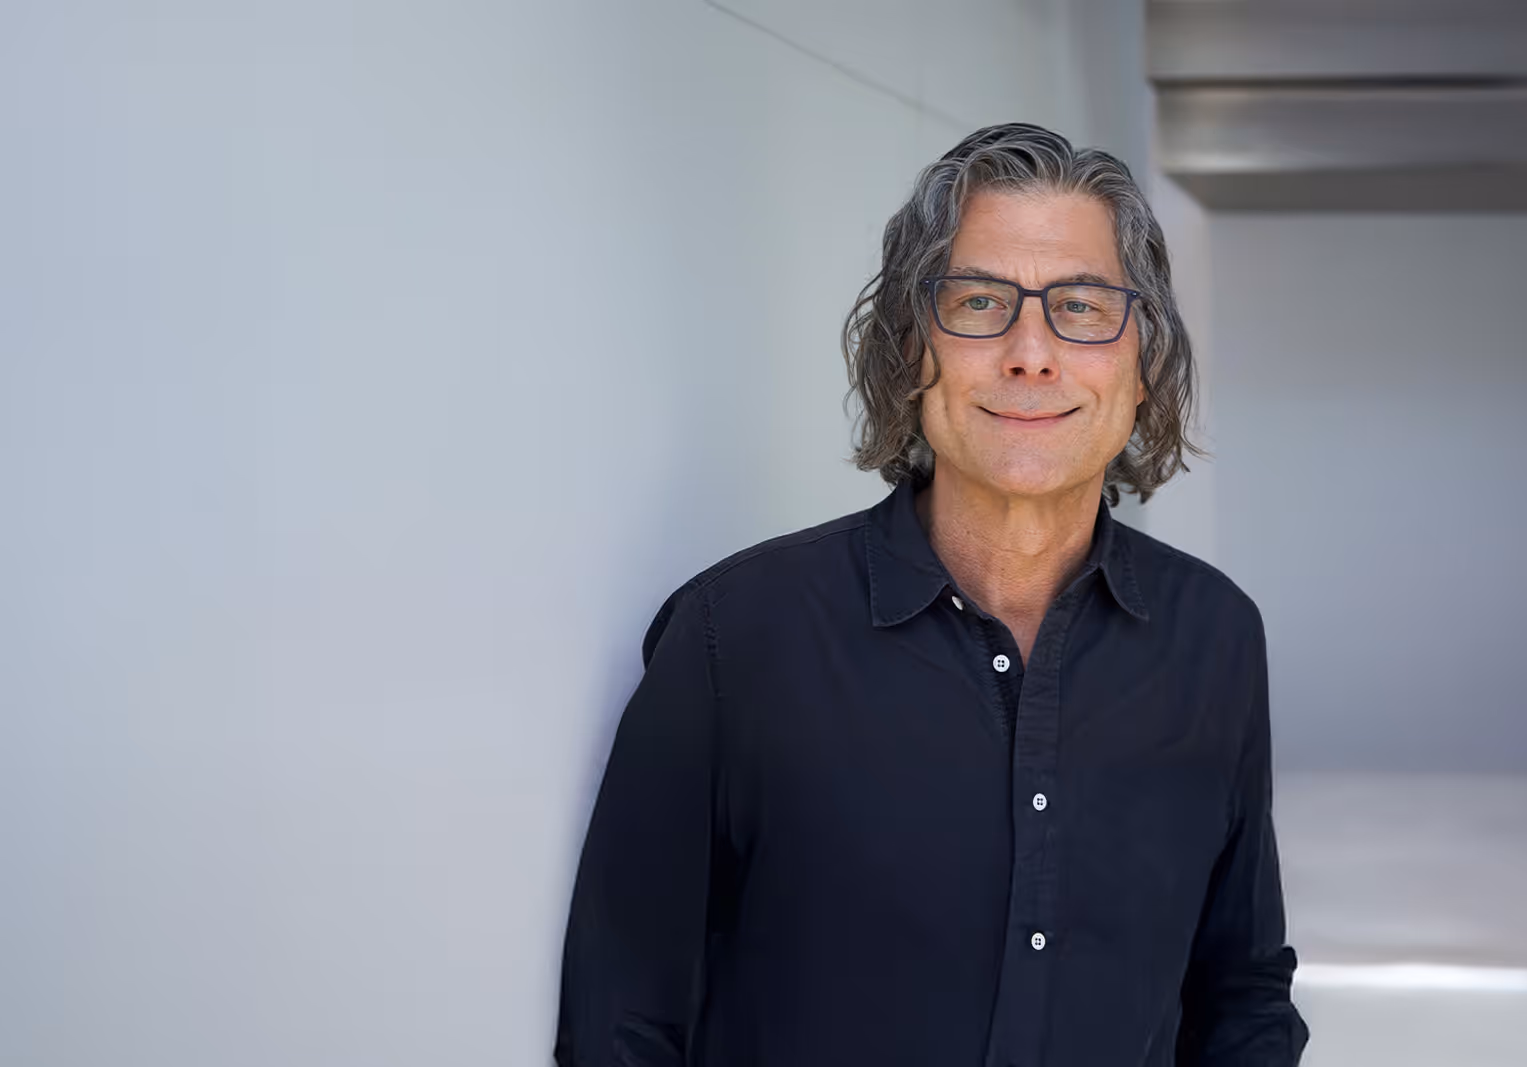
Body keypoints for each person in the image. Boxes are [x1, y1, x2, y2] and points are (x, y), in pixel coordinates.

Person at [556, 122, 1308, 1067]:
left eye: (1080, 307)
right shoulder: (733, 639)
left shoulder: (1216, 638)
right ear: (912, 348)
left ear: (1143, 361)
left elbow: (1240, 990)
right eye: (980, 302)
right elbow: (622, 1022)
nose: (1030, 353)